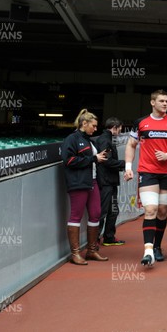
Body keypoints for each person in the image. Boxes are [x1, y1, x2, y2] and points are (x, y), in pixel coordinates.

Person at [124, 90, 167, 267]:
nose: (165, 104)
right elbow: (131, 144)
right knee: (150, 209)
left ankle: (158, 246)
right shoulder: (141, 122)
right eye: (161, 101)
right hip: (147, 172)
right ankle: (148, 251)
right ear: (152, 102)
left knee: (162, 212)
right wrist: (128, 167)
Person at [61, 109, 109, 265]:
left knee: (96, 213)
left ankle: (91, 250)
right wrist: (94, 158)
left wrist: (97, 158)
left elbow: (88, 159)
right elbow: (68, 160)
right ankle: (75, 253)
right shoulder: (72, 139)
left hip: (92, 181)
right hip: (78, 182)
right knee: (76, 215)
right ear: (84, 123)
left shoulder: (89, 140)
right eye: (93, 126)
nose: (95, 129)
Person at [95, 117, 126, 247]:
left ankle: (108, 237)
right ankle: (95, 239)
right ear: (115, 127)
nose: (120, 131)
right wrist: (125, 164)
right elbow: (106, 160)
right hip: (106, 182)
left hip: (110, 181)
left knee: (113, 210)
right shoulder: (105, 140)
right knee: (103, 211)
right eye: (120, 129)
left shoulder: (106, 139)